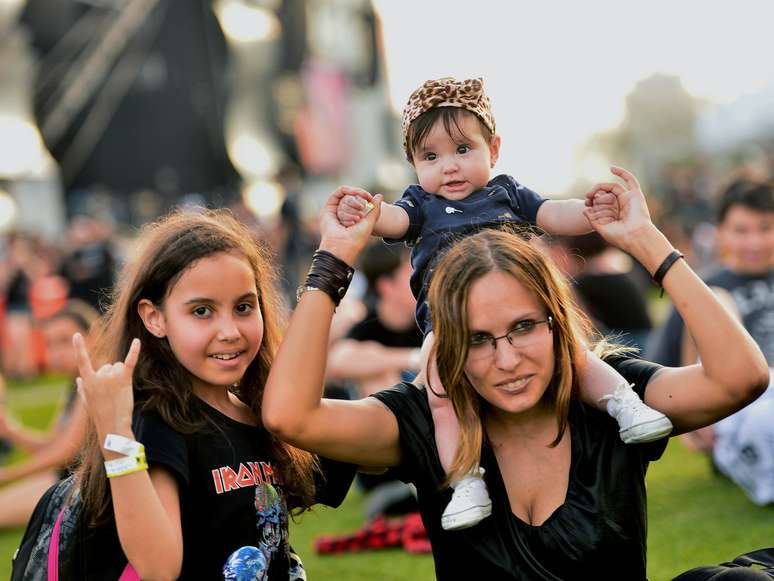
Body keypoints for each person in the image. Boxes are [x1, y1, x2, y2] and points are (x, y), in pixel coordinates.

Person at [262, 167, 769, 580]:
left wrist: (646, 242)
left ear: (556, 323)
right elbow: (291, 415)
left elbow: (740, 377)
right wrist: (331, 263)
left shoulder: (609, 399)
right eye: (478, 339)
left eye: (524, 327)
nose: (507, 361)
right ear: (448, 345)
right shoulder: (423, 421)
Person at [335, 76, 672, 530]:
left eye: (462, 150)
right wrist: (369, 215)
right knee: (438, 389)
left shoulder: (506, 193)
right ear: (413, 164)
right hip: (451, 324)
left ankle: (623, 403)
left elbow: (552, 213)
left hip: (522, 315)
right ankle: (466, 480)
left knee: (574, 351)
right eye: (430, 157)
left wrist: (592, 210)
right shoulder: (421, 205)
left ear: (493, 149)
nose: (448, 167)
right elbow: (393, 221)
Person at [70, 209, 354, 580]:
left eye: (243, 307)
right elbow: (159, 567)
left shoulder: (261, 411)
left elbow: (373, 451)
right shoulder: (160, 420)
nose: (230, 331)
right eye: (202, 311)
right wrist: (116, 437)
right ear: (154, 318)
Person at [648, 179, 774, 367]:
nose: (754, 243)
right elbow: (664, 367)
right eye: (741, 231)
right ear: (721, 231)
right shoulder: (699, 290)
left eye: (765, 228)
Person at [0, 300, 95, 528]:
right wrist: (11, 430)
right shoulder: (74, 382)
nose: (56, 353)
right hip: (64, 480)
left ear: (94, 336)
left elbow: (63, 453)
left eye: (65, 340)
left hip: (83, 489)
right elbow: (53, 443)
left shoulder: (95, 378)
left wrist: (6, 475)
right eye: (50, 344)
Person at [326, 243, 422, 397]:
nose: (421, 278)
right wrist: (414, 357)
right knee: (378, 375)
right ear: (387, 286)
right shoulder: (366, 322)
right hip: (391, 407)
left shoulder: (430, 320)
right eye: (410, 272)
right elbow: (337, 361)